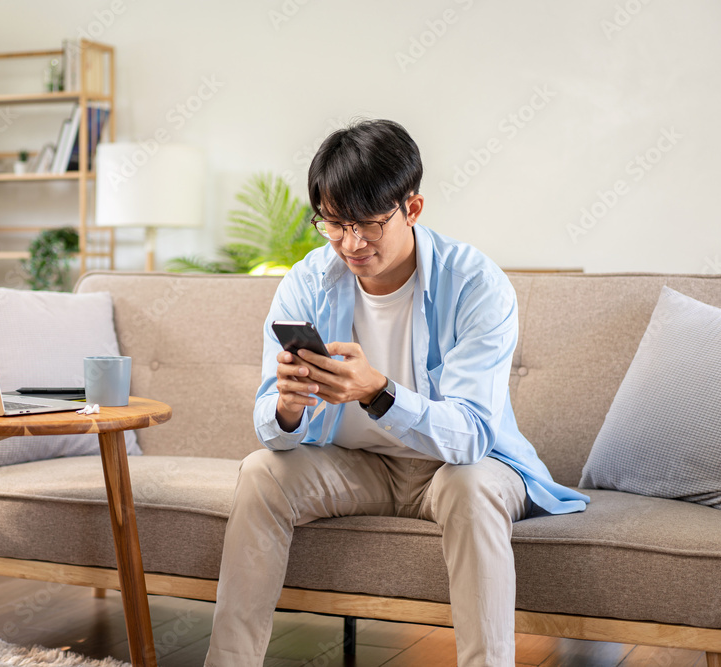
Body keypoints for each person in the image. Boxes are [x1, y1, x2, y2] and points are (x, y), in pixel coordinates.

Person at [204, 119, 589, 667]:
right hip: (359, 467)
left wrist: (379, 392)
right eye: (333, 225)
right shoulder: (308, 281)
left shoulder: (476, 284)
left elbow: (472, 437)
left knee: (470, 486)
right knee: (261, 471)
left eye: (367, 224)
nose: (350, 244)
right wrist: (287, 409)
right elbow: (270, 425)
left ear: (413, 208)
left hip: (457, 467)